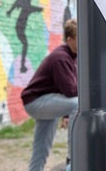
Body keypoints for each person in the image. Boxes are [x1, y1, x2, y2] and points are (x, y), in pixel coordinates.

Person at [21, 18, 78, 171]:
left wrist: (66, 114)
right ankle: (73, 157)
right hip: (37, 101)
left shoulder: (72, 56)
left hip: (47, 101)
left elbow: (67, 90)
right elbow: (70, 90)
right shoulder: (61, 58)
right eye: (79, 39)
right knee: (78, 104)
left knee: (41, 149)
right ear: (70, 39)